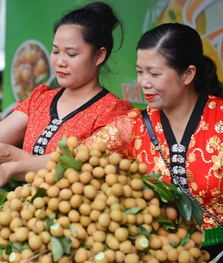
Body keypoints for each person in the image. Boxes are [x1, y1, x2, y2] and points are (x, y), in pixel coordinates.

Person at [0, 2, 133, 199]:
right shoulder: (41, 99)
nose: (59, 61)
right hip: (19, 209)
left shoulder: (115, 113)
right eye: (55, 51)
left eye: (71, 54)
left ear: (99, 56)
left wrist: (15, 161)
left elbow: (77, 165)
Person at [80, 23, 223, 260]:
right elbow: (79, 157)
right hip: (158, 252)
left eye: (154, 74)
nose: (144, 82)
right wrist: (15, 165)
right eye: (140, 72)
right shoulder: (134, 126)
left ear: (188, 74)